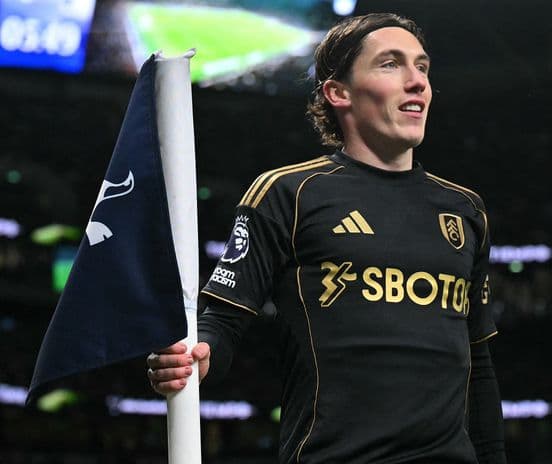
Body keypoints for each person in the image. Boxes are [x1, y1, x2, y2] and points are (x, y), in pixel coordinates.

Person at [146, 13, 506, 464]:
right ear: (338, 93)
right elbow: (221, 323)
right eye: (391, 64)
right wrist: (195, 358)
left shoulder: (465, 210)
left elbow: (480, 367)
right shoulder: (286, 193)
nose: (417, 82)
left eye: (423, 67)